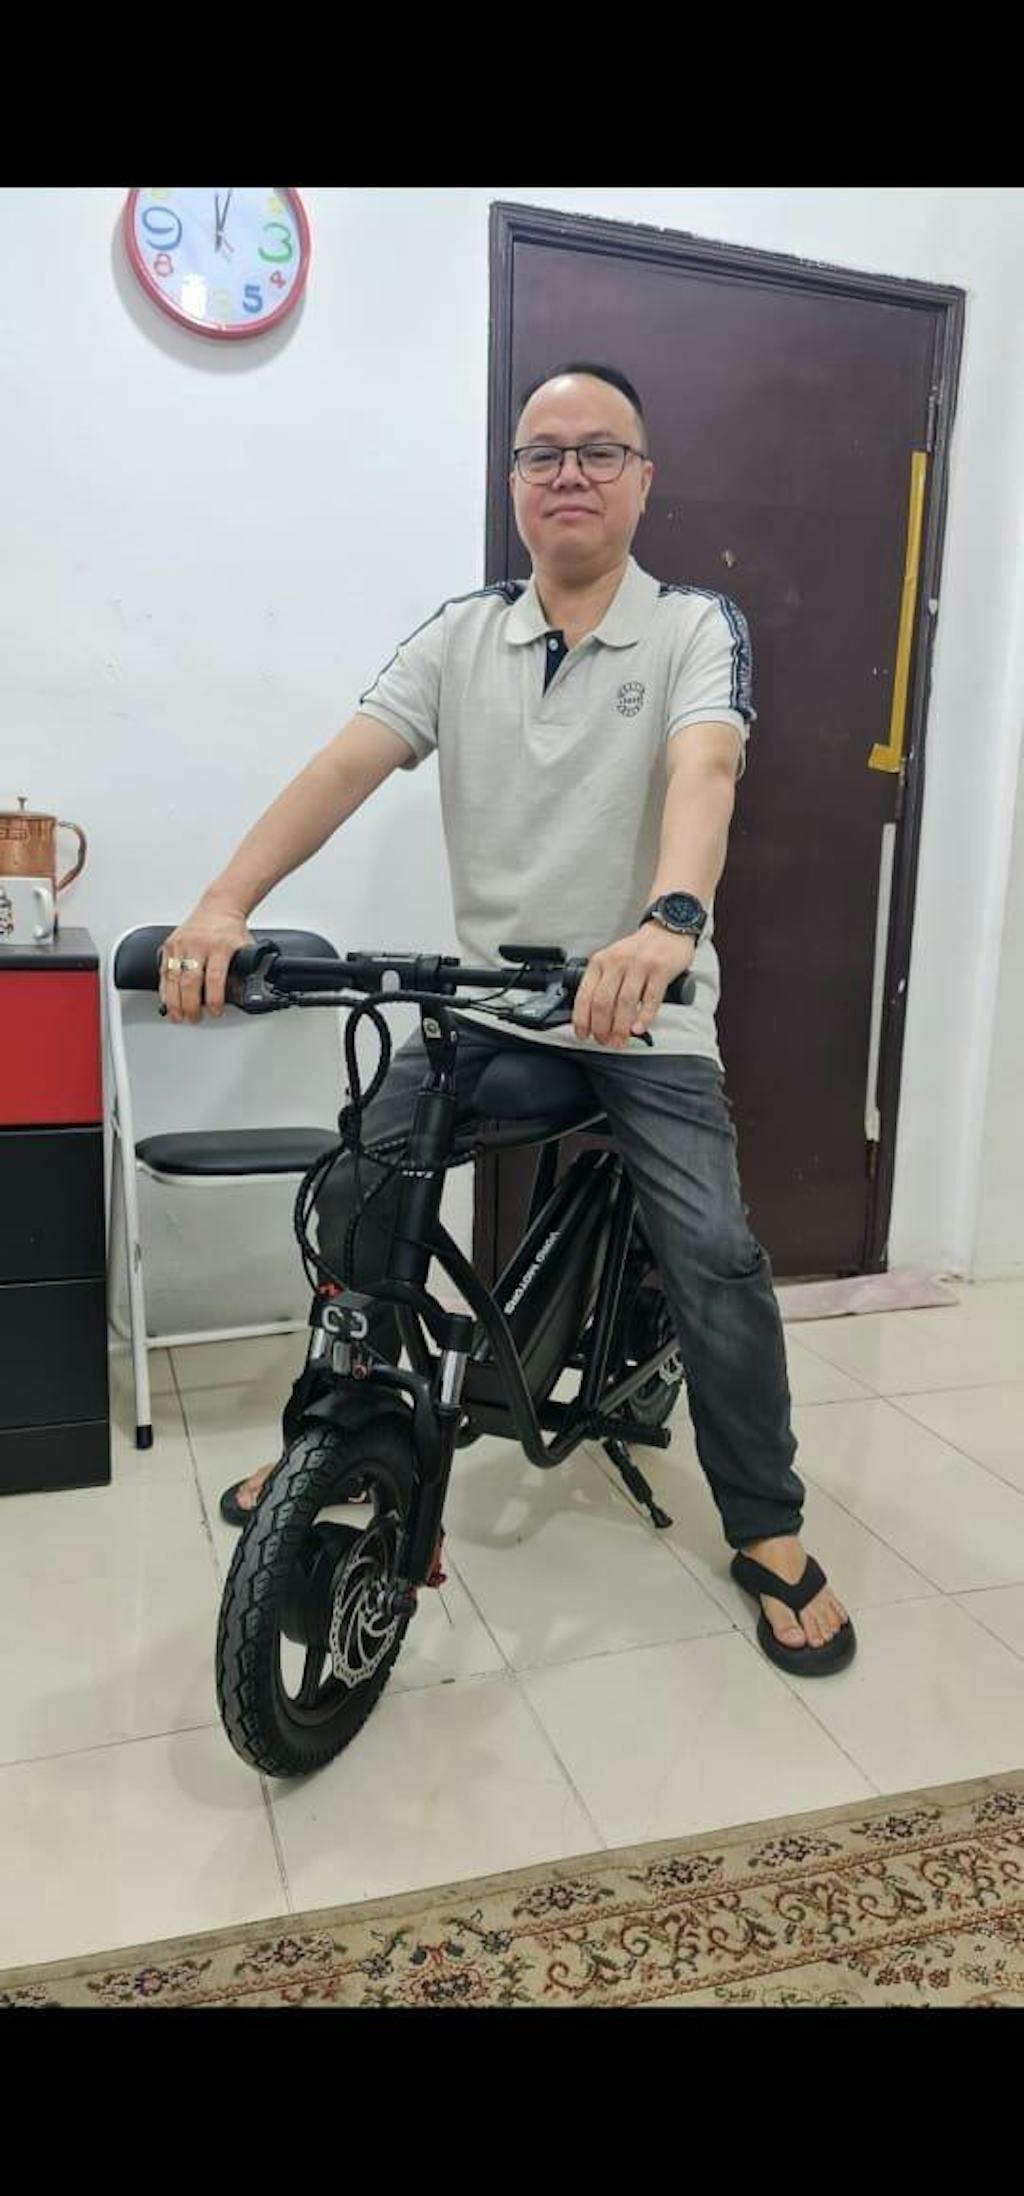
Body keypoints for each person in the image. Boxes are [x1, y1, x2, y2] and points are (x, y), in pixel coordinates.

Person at [159, 363, 855, 1676]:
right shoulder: (461, 635)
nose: (570, 473)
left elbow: (706, 767)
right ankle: (344, 1433)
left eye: (601, 451)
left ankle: (767, 1523)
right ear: (516, 483)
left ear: (643, 479)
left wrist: (669, 921)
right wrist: (223, 903)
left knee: (714, 1255)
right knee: (361, 1182)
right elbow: (344, 764)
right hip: (495, 1012)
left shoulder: (692, 626)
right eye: (544, 454)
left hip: (643, 1016)